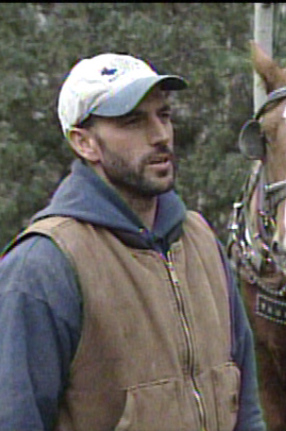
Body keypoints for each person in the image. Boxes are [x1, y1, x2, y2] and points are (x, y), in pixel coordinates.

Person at [0, 53, 266, 431]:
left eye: (164, 115)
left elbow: (246, 409)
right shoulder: (42, 266)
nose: (160, 135)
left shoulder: (201, 240)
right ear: (84, 143)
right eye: (133, 121)